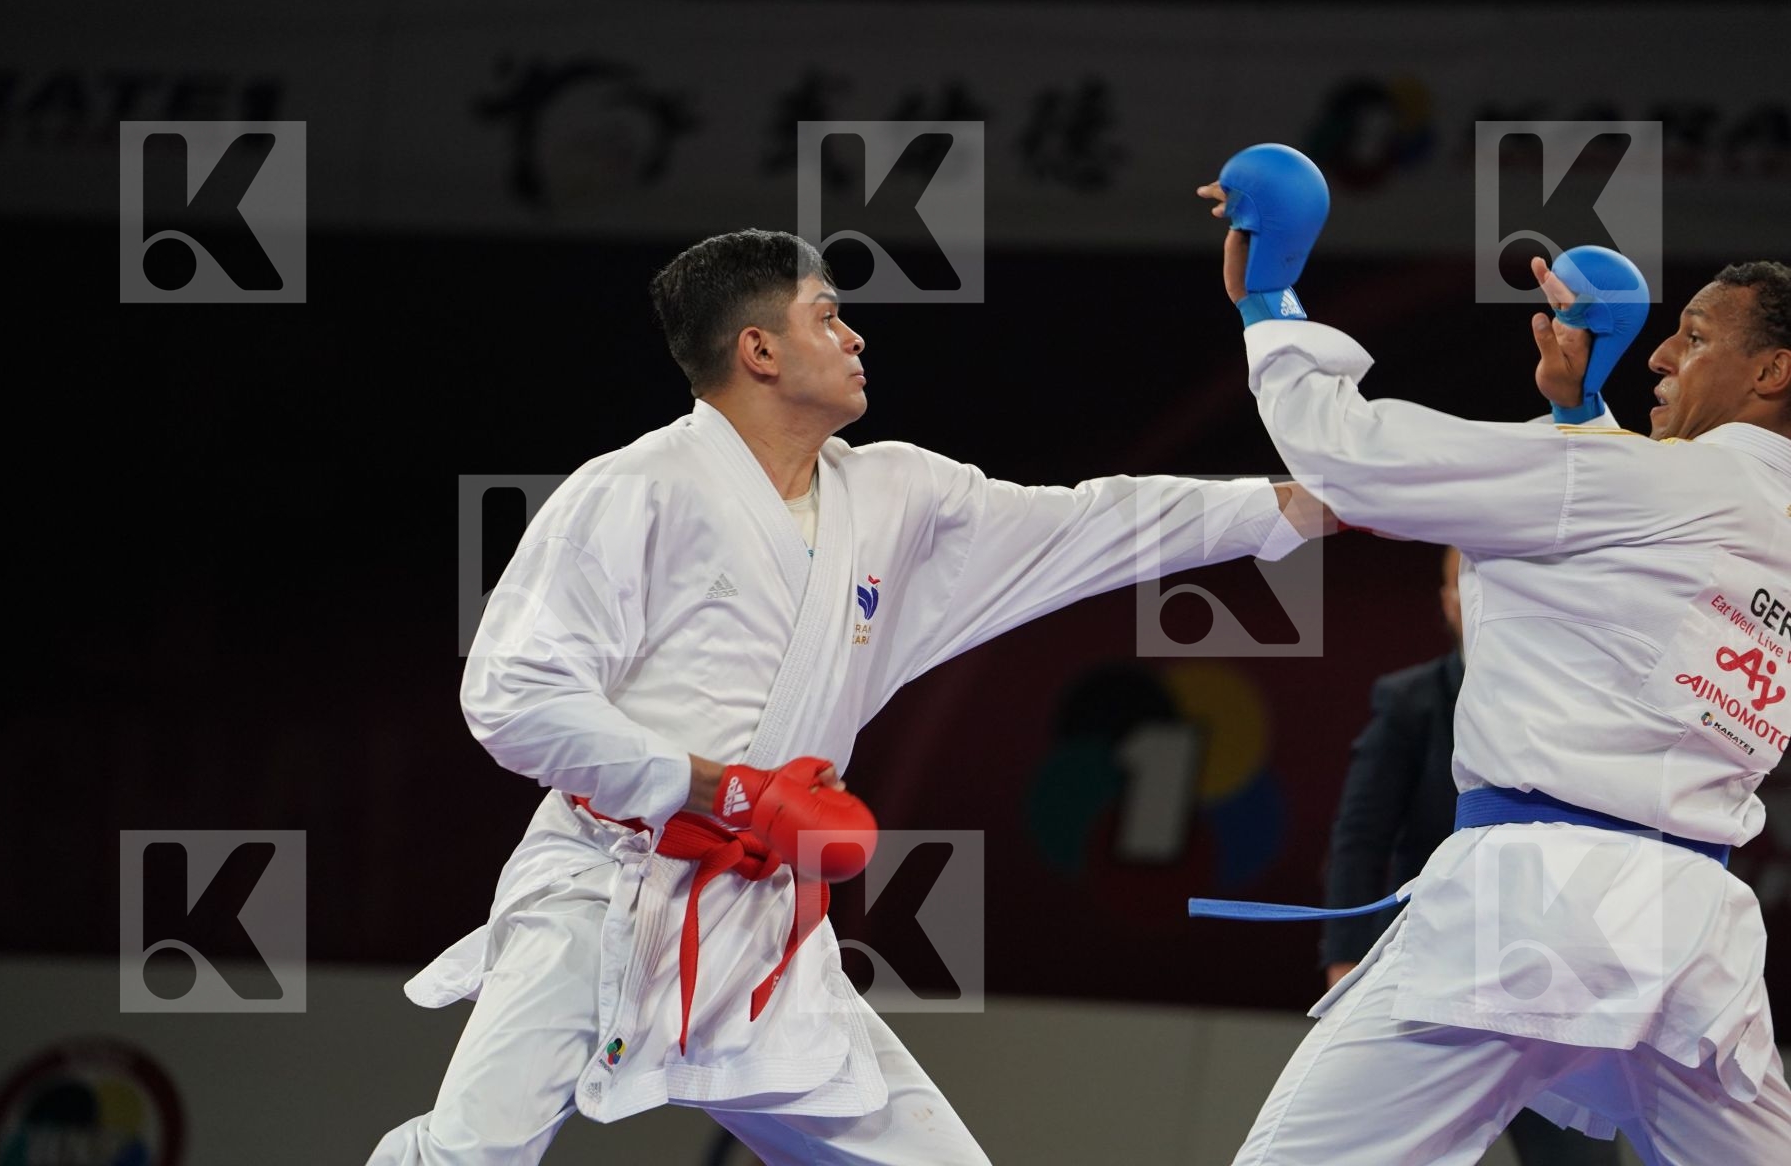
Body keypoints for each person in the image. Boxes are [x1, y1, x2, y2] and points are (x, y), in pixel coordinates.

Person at [368, 228, 1332, 1165]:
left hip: (763, 919)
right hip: (603, 888)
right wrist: (724, 790)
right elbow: (512, 698)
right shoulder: (634, 490)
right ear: (758, 350)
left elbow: (1096, 524)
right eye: (828, 316)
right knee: (469, 1153)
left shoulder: (897, 498)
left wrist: (1309, 500)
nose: (855, 336)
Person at [1196, 152, 1791, 1164]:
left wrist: (1270, 302)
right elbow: (1630, 600)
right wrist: (1577, 419)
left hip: (1532, 911)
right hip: (1691, 942)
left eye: (1692, 340)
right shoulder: (1738, 507)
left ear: (1773, 373)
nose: (1658, 358)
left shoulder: (1647, 485)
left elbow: (1353, 455)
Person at [1321, 545, 1622, 1166]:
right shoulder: (1411, 701)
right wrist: (1345, 957)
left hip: (1543, 964)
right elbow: (1360, 837)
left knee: (1574, 1157)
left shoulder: (1568, 698)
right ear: (1448, 603)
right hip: (1425, 955)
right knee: (1378, 1146)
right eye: (1465, 582)